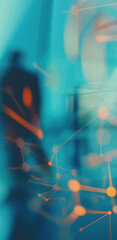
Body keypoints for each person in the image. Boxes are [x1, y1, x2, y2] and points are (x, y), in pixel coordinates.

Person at [1, 51, 51, 239]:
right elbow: (36, 100)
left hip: (16, 123)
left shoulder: (7, 76)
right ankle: (41, 176)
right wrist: (35, 118)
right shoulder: (24, 76)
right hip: (23, 121)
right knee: (29, 150)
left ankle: (26, 181)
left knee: (18, 152)